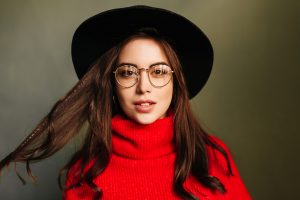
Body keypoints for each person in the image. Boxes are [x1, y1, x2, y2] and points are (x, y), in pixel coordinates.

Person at [0, 5, 251, 200]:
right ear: (111, 83)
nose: (144, 87)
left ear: (177, 83)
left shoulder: (211, 158)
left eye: (159, 71)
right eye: (128, 72)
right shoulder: (84, 171)